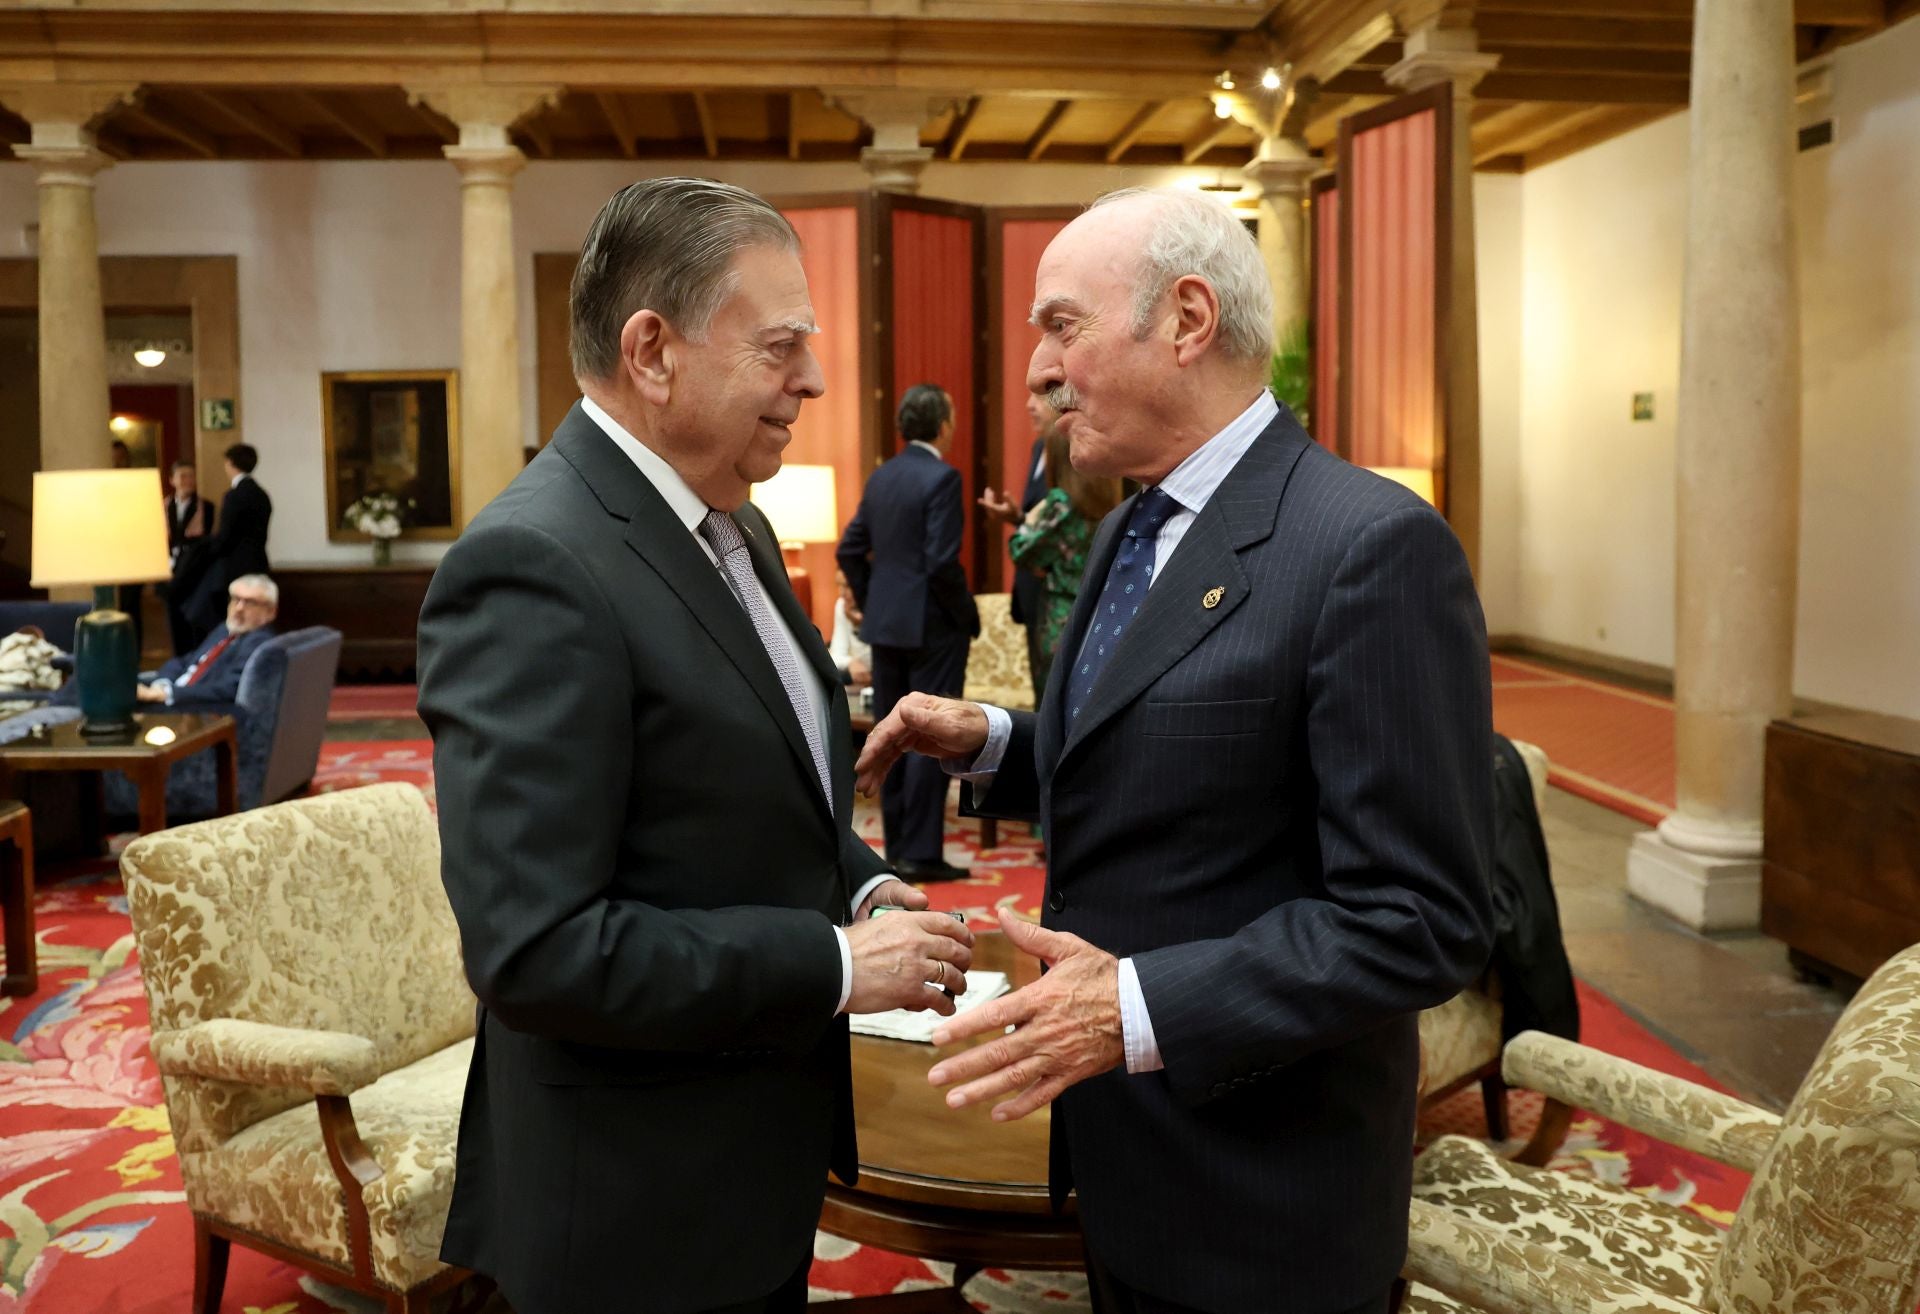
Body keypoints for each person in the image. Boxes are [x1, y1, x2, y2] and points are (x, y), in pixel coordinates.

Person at [855, 187, 1494, 1314]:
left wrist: (1131, 1009)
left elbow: (1422, 915)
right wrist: (999, 739)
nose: (1037, 371)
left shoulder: (1370, 548)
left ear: (1188, 319)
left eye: (1062, 325)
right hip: (1122, 1152)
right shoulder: (1125, 531)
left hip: (1261, 1189)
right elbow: (1172, 749)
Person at [416, 176, 974, 1314]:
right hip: (627, 1210)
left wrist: (865, 891)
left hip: (740, 1169)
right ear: (653, 351)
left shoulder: (736, 524)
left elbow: (738, 799)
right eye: (780, 347)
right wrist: (831, 966)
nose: (813, 380)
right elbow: (537, 949)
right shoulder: (536, 567)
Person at [836, 384, 980, 883]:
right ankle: (921, 852)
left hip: (888, 626)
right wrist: (967, 613)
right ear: (942, 425)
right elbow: (942, 562)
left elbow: (849, 549)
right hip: (933, 628)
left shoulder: (882, 477)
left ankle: (896, 849)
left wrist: (873, 600)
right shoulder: (942, 477)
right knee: (927, 733)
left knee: (891, 733)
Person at [1007, 424, 1123, 695]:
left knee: (1051, 704)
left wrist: (1029, 518)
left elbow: (1020, 549)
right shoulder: (1108, 496)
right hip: (1098, 609)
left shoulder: (1060, 501)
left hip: (1060, 617)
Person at [980, 394, 1057, 703]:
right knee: (1040, 691)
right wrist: (1017, 517)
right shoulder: (1040, 447)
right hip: (1031, 586)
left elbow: (1066, 522)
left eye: (1039, 396)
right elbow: (1041, 519)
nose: (1028, 404)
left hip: (1057, 590)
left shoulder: (1077, 455)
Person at [133, 573, 278, 707]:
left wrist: (166, 694)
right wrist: (161, 683)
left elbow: (230, 689)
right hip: (172, 692)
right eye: (236, 599)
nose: (239, 608)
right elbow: (185, 661)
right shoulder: (225, 630)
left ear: (270, 612)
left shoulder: (260, 644)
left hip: (195, 708)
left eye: (250, 602)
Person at [178, 443, 271, 647]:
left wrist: (201, 553)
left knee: (231, 618)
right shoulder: (262, 495)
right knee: (254, 619)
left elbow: (225, 538)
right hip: (259, 564)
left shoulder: (234, 495)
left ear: (230, 464)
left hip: (235, 568)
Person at [162, 459, 216, 656]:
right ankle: (179, 655)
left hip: (195, 569)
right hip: (169, 569)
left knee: (194, 615)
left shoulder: (206, 506)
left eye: (191, 476)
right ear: (172, 480)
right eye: (182, 476)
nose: (187, 481)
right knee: (173, 614)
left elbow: (206, 538)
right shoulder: (163, 506)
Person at [828, 569, 872, 690]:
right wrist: (850, 663)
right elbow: (835, 655)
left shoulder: (879, 607)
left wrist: (862, 625)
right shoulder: (841, 606)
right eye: (839, 585)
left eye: (847, 586)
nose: (842, 593)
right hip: (859, 685)